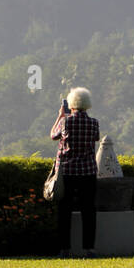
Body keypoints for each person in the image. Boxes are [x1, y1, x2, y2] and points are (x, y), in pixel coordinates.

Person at [50, 86, 101, 258]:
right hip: (88, 172)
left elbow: (53, 135)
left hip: (68, 172)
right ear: (87, 105)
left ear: (71, 104)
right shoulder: (94, 123)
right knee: (89, 210)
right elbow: (95, 139)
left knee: (65, 211)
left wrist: (60, 115)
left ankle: (65, 248)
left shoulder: (65, 122)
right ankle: (89, 248)